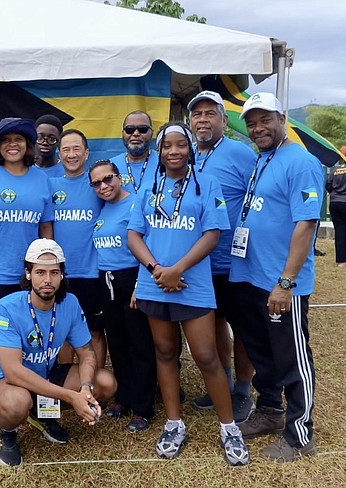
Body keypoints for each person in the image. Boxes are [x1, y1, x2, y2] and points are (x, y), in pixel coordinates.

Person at [127, 122, 249, 466]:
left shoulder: (206, 184)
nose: (174, 151)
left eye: (181, 145)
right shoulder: (150, 186)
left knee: (207, 356)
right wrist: (156, 271)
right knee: (165, 352)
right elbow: (135, 235)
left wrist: (177, 269)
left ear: (190, 149)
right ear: (159, 152)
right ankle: (173, 423)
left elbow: (212, 234)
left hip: (191, 285)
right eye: (167, 146)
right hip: (154, 283)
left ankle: (229, 428)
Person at [230, 92, 323, 462]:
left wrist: (286, 282)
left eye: (265, 119)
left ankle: (300, 435)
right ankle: (270, 410)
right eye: (252, 122)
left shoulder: (301, 161)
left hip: (281, 284)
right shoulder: (263, 158)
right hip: (252, 277)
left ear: (282, 118)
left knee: (291, 357)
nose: (257, 128)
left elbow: (306, 222)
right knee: (262, 352)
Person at [0, 238, 117, 466]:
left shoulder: (70, 303)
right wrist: (71, 397)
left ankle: (40, 413)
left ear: (62, 275)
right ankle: (5, 430)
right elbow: (14, 372)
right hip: (8, 382)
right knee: (17, 402)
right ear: (28, 274)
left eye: (54, 272)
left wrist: (84, 388)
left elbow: (86, 352)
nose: (47, 280)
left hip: (47, 373)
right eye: (40, 272)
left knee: (104, 382)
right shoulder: (6, 307)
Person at [186, 90, 257, 423]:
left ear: (224, 121)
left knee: (242, 328)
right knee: (214, 326)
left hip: (235, 261)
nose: (203, 119)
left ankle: (243, 391)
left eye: (210, 113)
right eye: (197, 114)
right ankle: (223, 384)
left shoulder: (240, 153)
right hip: (201, 265)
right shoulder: (187, 156)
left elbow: (257, 199)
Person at [0, 117, 54, 365]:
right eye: (5, 140)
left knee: (33, 331)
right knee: (0, 334)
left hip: (31, 274)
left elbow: (45, 227)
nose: (12, 145)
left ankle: (33, 384)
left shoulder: (41, 179)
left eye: (18, 139)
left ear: (28, 145)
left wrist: (47, 269)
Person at [89, 160, 156, 433]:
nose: (104, 186)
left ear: (120, 178)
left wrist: (143, 282)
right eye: (97, 183)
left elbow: (150, 243)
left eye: (108, 179)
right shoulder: (103, 209)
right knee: (117, 341)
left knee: (140, 344)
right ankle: (124, 398)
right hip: (107, 281)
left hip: (133, 278)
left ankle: (142, 407)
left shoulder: (137, 203)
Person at [49, 129, 105, 368]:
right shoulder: (50, 185)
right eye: (66, 149)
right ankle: (67, 387)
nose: (71, 154)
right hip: (61, 274)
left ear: (86, 153)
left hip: (92, 273)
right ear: (58, 154)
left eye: (76, 149)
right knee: (63, 334)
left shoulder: (99, 185)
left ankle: (98, 384)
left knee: (94, 333)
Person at [110, 111, 159, 194]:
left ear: (151, 133)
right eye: (130, 130)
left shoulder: (164, 163)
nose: (136, 134)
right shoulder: (110, 166)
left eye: (143, 129)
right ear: (123, 134)